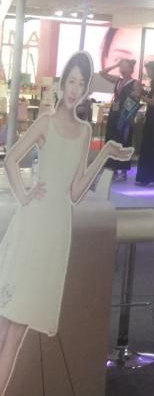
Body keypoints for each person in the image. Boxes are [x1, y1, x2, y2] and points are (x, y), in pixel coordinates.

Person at [0, 53, 132, 389]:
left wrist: (104, 154)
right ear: (62, 83)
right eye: (71, 81)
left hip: (57, 230)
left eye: (81, 84)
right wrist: (24, 196)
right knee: (6, 326)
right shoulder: (45, 122)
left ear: (86, 90)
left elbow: (74, 191)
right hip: (34, 224)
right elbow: (12, 158)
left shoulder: (85, 131)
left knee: (16, 330)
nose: (74, 89)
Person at [101, 57, 140, 182]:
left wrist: (134, 97)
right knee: (112, 140)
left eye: (125, 67)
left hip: (125, 115)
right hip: (114, 113)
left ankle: (123, 170)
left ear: (131, 69)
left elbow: (137, 97)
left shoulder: (135, 83)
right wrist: (115, 65)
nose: (122, 69)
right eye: (121, 66)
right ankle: (112, 168)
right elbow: (102, 73)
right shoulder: (118, 80)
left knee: (124, 140)